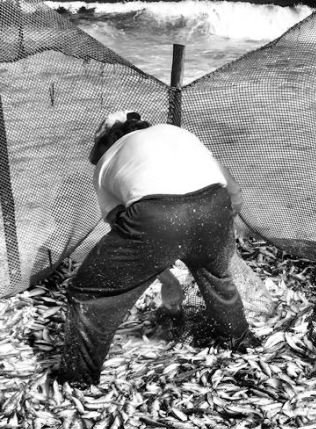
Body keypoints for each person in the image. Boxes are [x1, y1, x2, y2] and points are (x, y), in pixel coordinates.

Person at [57, 111, 259, 385]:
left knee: (90, 294)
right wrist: (217, 238)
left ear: (105, 142)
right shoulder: (176, 133)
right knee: (217, 279)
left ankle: (78, 381)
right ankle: (239, 342)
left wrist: (166, 277)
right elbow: (233, 192)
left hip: (157, 217)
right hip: (214, 205)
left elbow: (130, 234)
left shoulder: (107, 161)